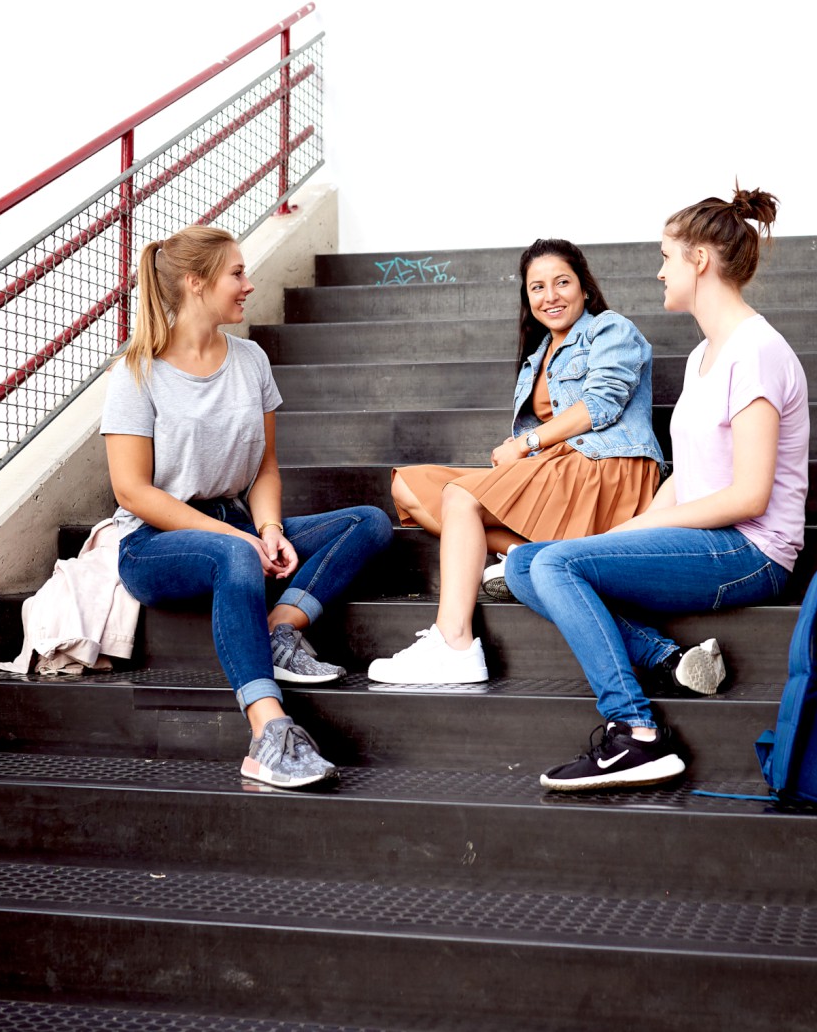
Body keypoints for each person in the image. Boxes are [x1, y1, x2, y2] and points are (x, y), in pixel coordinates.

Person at [503, 188, 810, 791]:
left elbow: (749, 496)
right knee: (524, 565)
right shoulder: (702, 356)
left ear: (699, 261)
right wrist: (625, 532)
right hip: (708, 536)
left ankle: (637, 733)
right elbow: (687, 478)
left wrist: (637, 532)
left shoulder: (757, 352)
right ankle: (663, 658)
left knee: (559, 565)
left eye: (667, 256)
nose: (659, 270)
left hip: (752, 550)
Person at [102, 226, 392, 789]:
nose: (249, 285)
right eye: (236, 273)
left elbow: (264, 465)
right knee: (234, 558)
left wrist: (269, 527)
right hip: (154, 542)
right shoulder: (136, 374)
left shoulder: (250, 359)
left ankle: (280, 630)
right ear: (195, 282)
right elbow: (132, 492)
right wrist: (237, 539)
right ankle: (269, 732)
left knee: (369, 522)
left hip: (237, 521)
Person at [373, 239, 665, 684]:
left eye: (562, 282)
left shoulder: (611, 329)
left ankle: (454, 643)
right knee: (408, 488)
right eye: (537, 288)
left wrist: (525, 444)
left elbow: (602, 404)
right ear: (527, 299)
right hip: (554, 468)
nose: (551, 296)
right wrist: (525, 454)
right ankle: (520, 556)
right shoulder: (535, 358)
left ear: (584, 288)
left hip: (605, 468)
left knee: (460, 499)